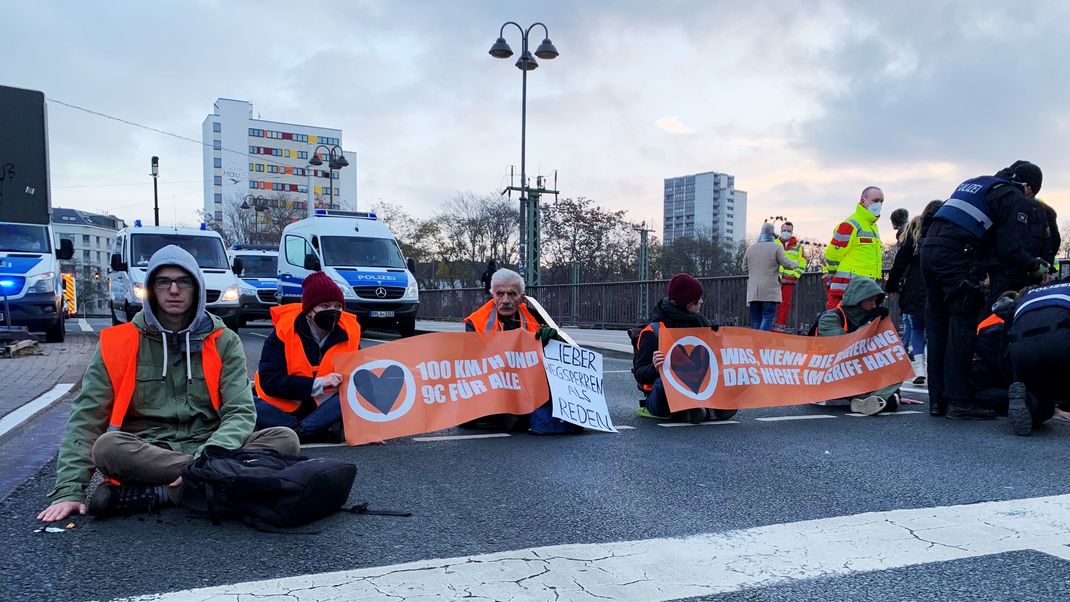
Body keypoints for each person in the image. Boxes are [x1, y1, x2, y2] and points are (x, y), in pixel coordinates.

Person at [37, 246, 298, 523]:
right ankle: (219, 483)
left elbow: (240, 412)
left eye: (183, 281)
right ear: (151, 288)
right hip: (148, 451)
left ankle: (165, 494)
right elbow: (87, 418)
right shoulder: (118, 343)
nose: (173, 290)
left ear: (196, 287)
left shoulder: (224, 341)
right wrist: (69, 491)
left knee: (285, 440)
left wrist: (207, 456)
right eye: (164, 282)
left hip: (212, 446)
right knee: (106, 447)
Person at [920, 160, 1048, 419]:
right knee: (963, 323)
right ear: (1028, 187)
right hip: (958, 254)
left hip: (929, 252)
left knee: (937, 324)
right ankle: (958, 401)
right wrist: (1035, 266)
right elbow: (1008, 248)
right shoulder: (1013, 195)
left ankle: (937, 401)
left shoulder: (976, 183)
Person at [463, 268, 578, 434]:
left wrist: (554, 340)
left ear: (522, 298)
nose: (506, 300)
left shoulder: (535, 317)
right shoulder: (476, 322)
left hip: (529, 386)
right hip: (495, 385)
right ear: (492, 295)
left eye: (512, 294)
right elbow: (472, 365)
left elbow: (565, 357)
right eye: (500, 294)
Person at [254, 272, 361, 443]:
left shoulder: (351, 332)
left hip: (324, 408)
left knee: (349, 397)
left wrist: (370, 429)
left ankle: (296, 432)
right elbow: (270, 381)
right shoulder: (283, 332)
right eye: (325, 306)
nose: (333, 311)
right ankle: (313, 431)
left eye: (338, 306)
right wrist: (318, 384)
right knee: (243, 403)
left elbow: (360, 382)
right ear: (309, 311)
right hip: (281, 405)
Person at [632, 273, 733, 423]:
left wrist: (718, 341)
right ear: (686, 302)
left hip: (695, 384)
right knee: (665, 381)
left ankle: (702, 408)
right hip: (661, 391)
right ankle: (695, 409)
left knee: (724, 373)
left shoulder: (700, 322)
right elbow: (640, 374)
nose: (701, 301)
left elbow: (715, 360)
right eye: (697, 299)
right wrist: (655, 367)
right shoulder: (653, 331)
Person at [815, 277, 901, 416]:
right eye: (870, 300)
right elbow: (841, 346)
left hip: (857, 370)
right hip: (830, 372)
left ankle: (874, 398)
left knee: (897, 359)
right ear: (858, 299)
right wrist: (868, 324)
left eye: (876, 301)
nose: (874, 305)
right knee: (891, 402)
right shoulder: (830, 318)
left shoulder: (871, 316)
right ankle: (876, 397)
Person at [886, 200, 943, 384]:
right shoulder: (944, 229)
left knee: (917, 328)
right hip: (937, 286)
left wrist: (892, 285)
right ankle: (937, 367)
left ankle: (919, 368)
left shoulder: (914, 230)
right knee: (937, 329)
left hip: (915, 287)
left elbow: (900, 261)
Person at [1006, 279, 1070, 436]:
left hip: (1022, 350)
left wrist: (1014, 377)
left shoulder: (1028, 295)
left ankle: (1029, 405)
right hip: (1060, 342)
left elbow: (1005, 340)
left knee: (1043, 402)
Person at [984, 164, 1054, 306]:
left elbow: (1050, 245)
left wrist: (1044, 269)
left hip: (1023, 281)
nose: (1030, 195)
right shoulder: (1005, 201)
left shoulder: (1042, 212)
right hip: (1002, 279)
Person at [824, 186, 886, 310]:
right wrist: (832, 275)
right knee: (841, 324)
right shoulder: (850, 224)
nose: (879, 204)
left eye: (881, 201)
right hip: (847, 287)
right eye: (875, 200)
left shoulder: (872, 227)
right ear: (863, 201)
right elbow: (832, 255)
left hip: (862, 288)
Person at [743, 223, 799, 331]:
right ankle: (762, 342)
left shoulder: (751, 248)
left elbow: (744, 268)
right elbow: (787, 264)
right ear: (773, 233)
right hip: (769, 290)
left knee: (755, 320)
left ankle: (755, 345)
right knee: (768, 316)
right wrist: (796, 263)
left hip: (753, 291)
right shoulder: (776, 247)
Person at [971, 291, 1017, 417]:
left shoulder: (992, 321)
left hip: (981, 380)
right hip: (982, 385)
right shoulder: (998, 328)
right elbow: (1004, 367)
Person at [773, 222, 806, 332]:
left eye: (789, 231)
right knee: (770, 304)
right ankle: (769, 327)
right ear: (781, 230)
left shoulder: (798, 246)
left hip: (788, 281)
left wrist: (796, 275)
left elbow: (803, 262)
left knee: (784, 305)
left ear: (792, 232)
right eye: (784, 230)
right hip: (773, 280)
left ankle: (779, 328)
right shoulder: (774, 243)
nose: (786, 232)